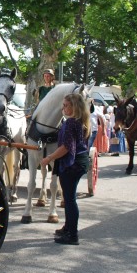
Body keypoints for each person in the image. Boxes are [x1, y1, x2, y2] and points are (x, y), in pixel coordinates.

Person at [40, 93, 90, 245]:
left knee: (69, 200)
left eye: (66, 105)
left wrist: (49, 158)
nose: (63, 108)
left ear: (75, 106)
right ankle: (68, 227)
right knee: (69, 198)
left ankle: (72, 235)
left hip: (72, 164)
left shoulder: (70, 123)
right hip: (80, 162)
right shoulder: (80, 121)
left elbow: (66, 147)